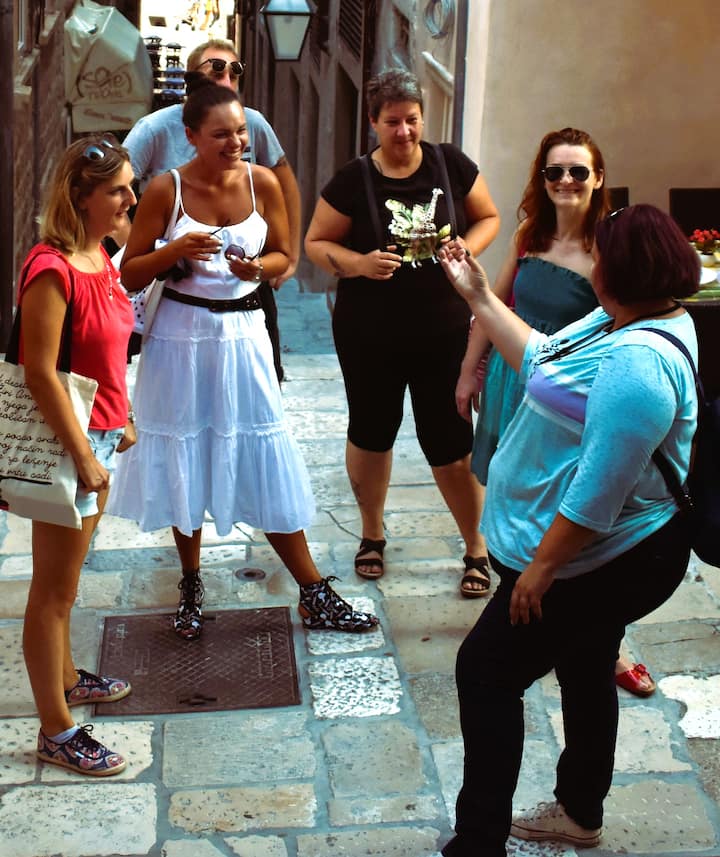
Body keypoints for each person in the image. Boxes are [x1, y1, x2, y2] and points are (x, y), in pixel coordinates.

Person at [437, 203, 699, 856]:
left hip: (612, 557)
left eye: (600, 257)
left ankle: (478, 842)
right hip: (596, 552)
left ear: (620, 272)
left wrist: (542, 568)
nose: (592, 265)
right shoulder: (621, 317)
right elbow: (541, 358)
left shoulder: (639, 366)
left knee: (486, 672)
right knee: (586, 663)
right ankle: (580, 812)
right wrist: (478, 296)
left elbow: (598, 492)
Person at [108, 76, 378, 640]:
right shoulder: (164, 190)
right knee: (184, 454)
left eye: (240, 133)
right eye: (221, 135)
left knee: (263, 451)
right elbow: (128, 272)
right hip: (179, 339)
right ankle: (190, 583)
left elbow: (283, 256)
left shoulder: (263, 183)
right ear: (190, 136)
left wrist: (259, 269)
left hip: (246, 334)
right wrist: (175, 249)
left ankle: (312, 590)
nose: (236, 143)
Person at [457, 128, 657, 688]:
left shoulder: (608, 249)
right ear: (541, 179)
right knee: (513, 484)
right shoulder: (530, 233)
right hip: (511, 381)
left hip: (566, 396)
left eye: (577, 171)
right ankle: (516, 592)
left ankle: (605, 640)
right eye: (554, 171)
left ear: (598, 178)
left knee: (569, 499)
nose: (565, 181)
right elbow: (493, 302)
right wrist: (469, 369)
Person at [305, 69, 500, 585]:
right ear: (373, 122)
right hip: (370, 334)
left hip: (444, 332)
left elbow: (488, 217)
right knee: (372, 433)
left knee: (450, 441)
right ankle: (372, 533)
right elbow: (316, 243)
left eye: (412, 119)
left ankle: (476, 545)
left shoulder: (450, 164)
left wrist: (466, 248)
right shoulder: (352, 180)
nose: (404, 131)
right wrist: (359, 263)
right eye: (392, 122)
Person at [20, 136, 137, 775]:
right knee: (53, 592)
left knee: (68, 582)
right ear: (81, 196)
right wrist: (85, 453)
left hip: (100, 436)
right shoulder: (52, 267)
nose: (129, 199)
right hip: (73, 445)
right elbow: (40, 372)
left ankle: (67, 678)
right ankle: (56, 731)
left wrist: (122, 418)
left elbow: (106, 350)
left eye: (129, 186)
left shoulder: (101, 255)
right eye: (117, 190)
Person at [122, 38, 298, 381]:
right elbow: (115, 187)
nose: (235, 143)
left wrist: (275, 263)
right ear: (192, 136)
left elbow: (285, 183)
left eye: (235, 71)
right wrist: (160, 247)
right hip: (178, 317)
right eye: (217, 69)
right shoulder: (157, 136)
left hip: (247, 317)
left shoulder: (258, 155)